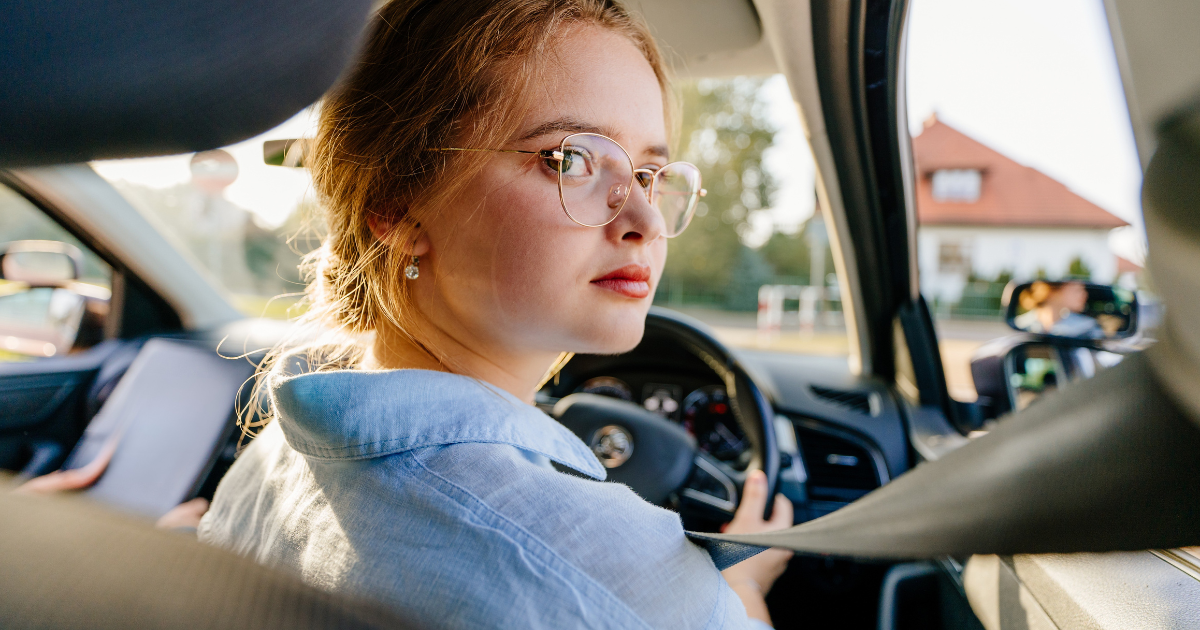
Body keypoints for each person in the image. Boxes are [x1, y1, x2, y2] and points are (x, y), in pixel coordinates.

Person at [198, 1, 795, 628]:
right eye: (569, 160)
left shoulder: (271, 463)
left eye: (649, 173)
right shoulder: (625, 580)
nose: (646, 222)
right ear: (398, 204)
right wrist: (742, 591)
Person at [1014, 280, 1103, 339]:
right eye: (1078, 289)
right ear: (1054, 291)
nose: (1085, 294)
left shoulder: (1087, 327)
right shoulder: (1020, 325)